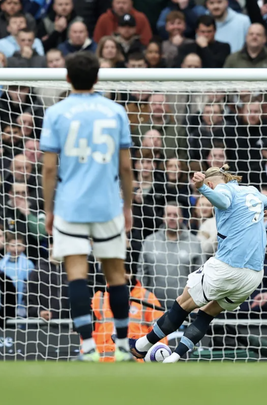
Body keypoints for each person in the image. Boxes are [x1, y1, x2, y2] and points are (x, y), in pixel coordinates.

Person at [39, 52, 134, 362]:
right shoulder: (116, 111)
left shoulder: (56, 113)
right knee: (116, 276)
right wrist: (128, 207)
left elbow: (50, 169)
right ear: (97, 77)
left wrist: (49, 209)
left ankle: (88, 347)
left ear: (67, 77)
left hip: (70, 206)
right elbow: (126, 168)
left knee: (76, 275)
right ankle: (121, 346)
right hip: (107, 204)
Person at [131, 165, 267, 363]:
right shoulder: (252, 191)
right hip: (253, 276)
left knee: (182, 306)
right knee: (206, 314)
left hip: (228, 267)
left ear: (211, 183)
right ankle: (175, 356)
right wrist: (264, 209)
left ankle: (141, 346)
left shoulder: (222, 189)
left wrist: (201, 188)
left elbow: (223, 201)